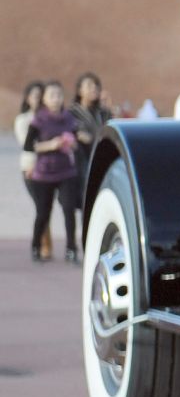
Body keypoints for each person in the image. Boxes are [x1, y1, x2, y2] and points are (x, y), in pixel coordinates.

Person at [23, 81, 84, 263]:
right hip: (44, 173)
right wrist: (51, 145)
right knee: (43, 211)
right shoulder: (38, 120)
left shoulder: (69, 118)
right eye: (52, 95)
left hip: (66, 171)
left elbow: (78, 142)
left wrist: (72, 144)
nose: (56, 99)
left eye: (59, 95)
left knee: (68, 210)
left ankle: (71, 248)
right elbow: (28, 146)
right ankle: (36, 245)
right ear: (44, 99)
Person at [14, 81, 53, 259]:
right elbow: (27, 145)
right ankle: (40, 245)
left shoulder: (49, 118)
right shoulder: (23, 120)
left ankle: (46, 245)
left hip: (50, 167)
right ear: (28, 99)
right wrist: (52, 144)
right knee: (41, 207)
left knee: (46, 207)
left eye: (40, 96)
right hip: (30, 167)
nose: (38, 99)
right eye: (34, 96)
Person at [70, 71, 112, 207]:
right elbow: (73, 134)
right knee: (85, 200)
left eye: (96, 86)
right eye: (89, 85)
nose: (94, 88)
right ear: (79, 90)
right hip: (81, 162)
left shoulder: (104, 112)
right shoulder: (72, 113)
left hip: (101, 160)